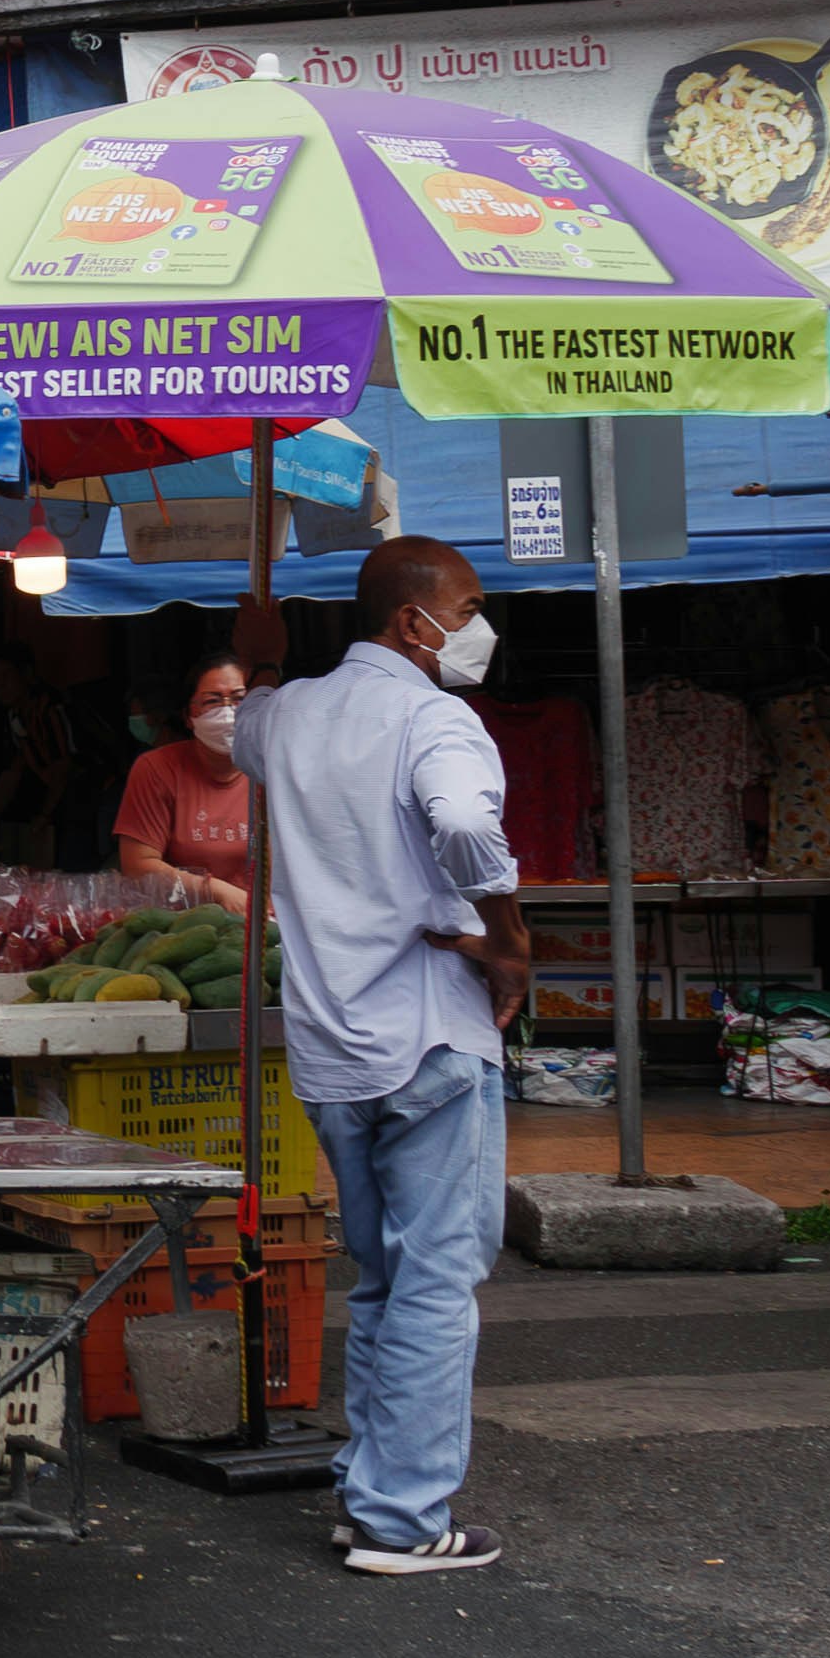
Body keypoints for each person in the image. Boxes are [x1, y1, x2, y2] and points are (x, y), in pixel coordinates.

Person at [231, 535, 530, 1579]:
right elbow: (460, 821)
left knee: (383, 1276)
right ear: (415, 622)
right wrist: (511, 937)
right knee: (438, 1278)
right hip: (428, 1034)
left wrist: (259, 653)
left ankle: (371, 1491)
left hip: (330, 1045)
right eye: (469, 605)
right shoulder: (433, 717)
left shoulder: (292, 713)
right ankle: (403, 1519)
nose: (478, 625)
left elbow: (242, 725)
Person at [111, 658, 254, 913]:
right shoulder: (157, 769)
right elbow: (138, 865)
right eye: (212, 701)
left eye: (238, 698)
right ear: (189, 716)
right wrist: (216, 891)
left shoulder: (274, 768)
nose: (227, 711)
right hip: (186, 927)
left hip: (268, 927)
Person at [0, 650, 75, 858]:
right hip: (56, 801)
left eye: (6, 677)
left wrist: (44, 814)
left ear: (28, 675)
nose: (0, 685)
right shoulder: (15, 716)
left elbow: (64, 767)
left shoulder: (50, 709)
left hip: (86, 798)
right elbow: (14, 771)